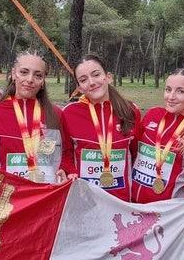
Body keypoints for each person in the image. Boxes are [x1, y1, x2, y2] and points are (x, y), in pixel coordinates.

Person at [61, 54, 142, 201]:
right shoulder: (69, 113)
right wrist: (70, 171)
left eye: (96, 75)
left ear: (108, 77)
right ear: (79, 87)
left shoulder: (131, 110)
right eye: (83, 80)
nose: (91, 83)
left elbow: (136, 154)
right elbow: (66, 153)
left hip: (122, 202)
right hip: (85, 201)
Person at [0, 49, 67, 184]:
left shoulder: (56, 114)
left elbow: (66, 154)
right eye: (24, 72)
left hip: (47, 196)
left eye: (38, 75)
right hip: (11, 197)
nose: (30, 80)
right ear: (14, 74)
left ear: (43, 81)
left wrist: (65, 170)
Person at [130, 68, 184, 203]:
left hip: (168, 212)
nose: (171, 97)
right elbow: (133, 150)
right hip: (133, 205)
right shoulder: (153, 114)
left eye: (180, 91)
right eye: (168, 89)